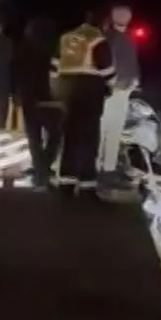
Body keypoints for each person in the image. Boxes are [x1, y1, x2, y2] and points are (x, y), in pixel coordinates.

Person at [51, 13, 116, 200]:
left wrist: (57, 90)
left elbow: (54, 65)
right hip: (89, 91)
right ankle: (87, 185)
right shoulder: (97, 39)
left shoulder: (66, 38)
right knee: (88, 137)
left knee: (70, 136)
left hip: (66, 89)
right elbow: (107, 69)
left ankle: (66, 182)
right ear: (104, 23)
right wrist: (110, 86)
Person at [12, 17, 62, 189]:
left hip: (29, 96)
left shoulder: (22, 49)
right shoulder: (49, 49)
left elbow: (16, 72)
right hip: (45, 97)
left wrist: (16, 93)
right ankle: (43, 167)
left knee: (34, 137)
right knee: (55, 134)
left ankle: (40, 171)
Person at [99, 3, 140, 185]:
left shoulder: (127, 37)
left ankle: (108, 167)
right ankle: (99, 167)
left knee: (113, 130)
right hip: (112, 89)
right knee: (105, 129)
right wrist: (112, 82)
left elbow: (132, 62)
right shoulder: (110, 37)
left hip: (123, 89)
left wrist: (135, 79)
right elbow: (108, 62)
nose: (125, 18)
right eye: (122, 15)